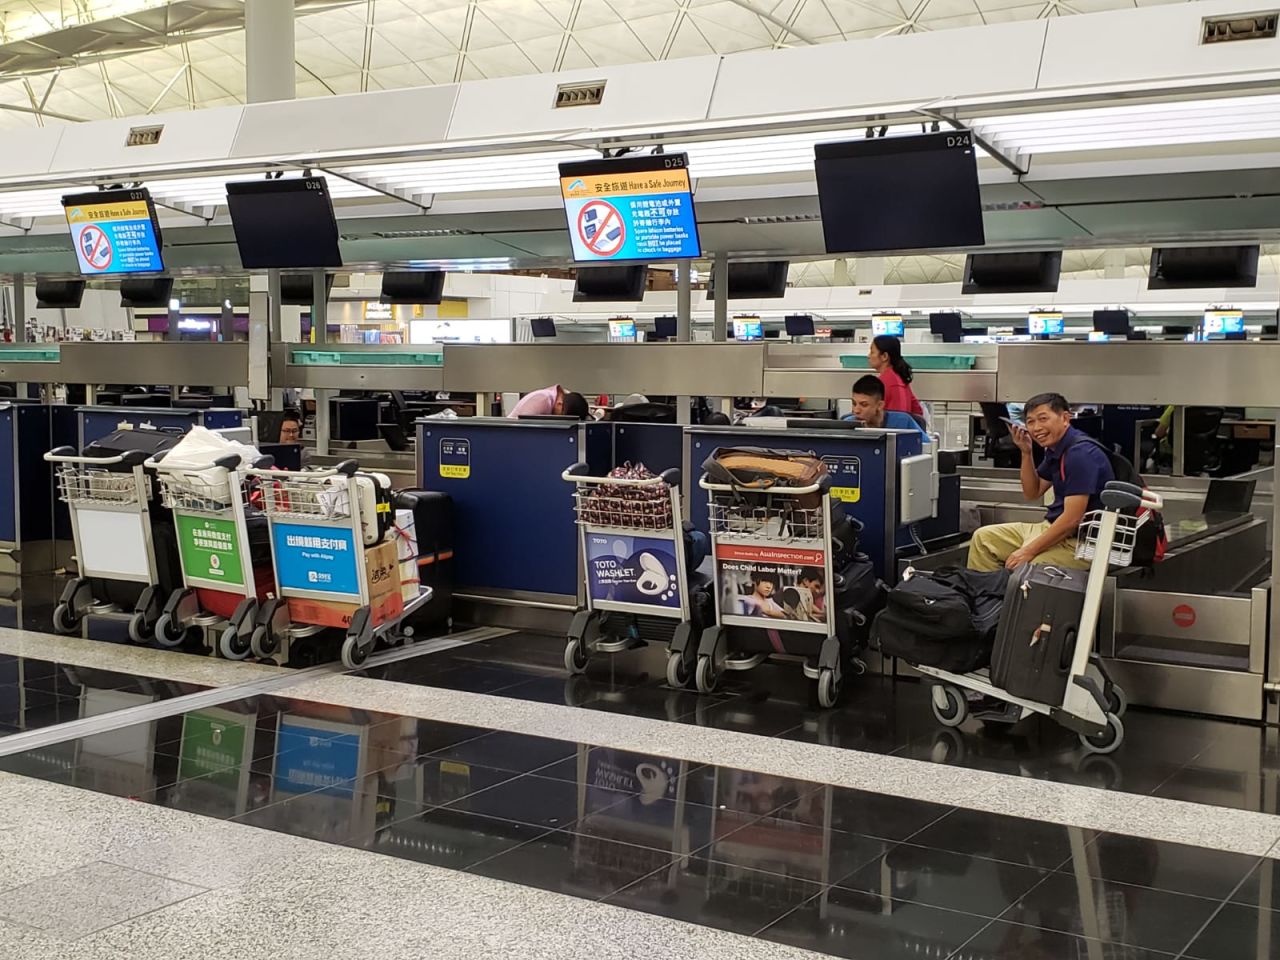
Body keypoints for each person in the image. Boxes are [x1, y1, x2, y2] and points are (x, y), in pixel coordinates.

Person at [967, 392, 1114, 572]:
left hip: (1080, 542)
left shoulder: (1080, 454)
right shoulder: (1056, 449)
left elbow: (1072, 519)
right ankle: (987, 597)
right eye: (1030, 422)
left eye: (1043, 419)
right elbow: (1032, 492)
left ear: (1065, 418)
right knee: (984, 539)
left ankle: (1010, 595)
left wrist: (1028, 551)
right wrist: (1026, 452)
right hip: (1050, 528)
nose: (1036, 428)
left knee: (1028, 568)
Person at [844, 375, 928, 438]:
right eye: (854, 403)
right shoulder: (847, 424)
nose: (856, 410)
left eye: (864, 405)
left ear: (880, 405)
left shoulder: (903, 422)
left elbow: (927, 448)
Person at [868, 335, 924, 420]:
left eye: (872, 352)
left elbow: (897, 420)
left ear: (884, 356)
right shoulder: (899, 378)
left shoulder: (886, 382)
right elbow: (918, 412)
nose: (868, 356)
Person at [508, 384, 589, 420]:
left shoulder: (565, 397)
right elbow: (524, 430)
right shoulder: (542, 400)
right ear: (559, 404)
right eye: (561, 416)